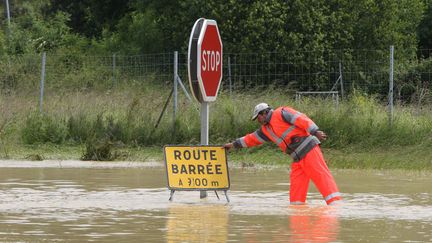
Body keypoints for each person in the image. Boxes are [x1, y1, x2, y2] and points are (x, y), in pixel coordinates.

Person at [224, 103, 342, 205]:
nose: (258, 121)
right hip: (296, 157)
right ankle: (297, 212)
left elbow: (301, 119)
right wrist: (233, 145)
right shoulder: (265, 130)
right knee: (296, 189)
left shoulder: (281, 112)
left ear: (264, 113)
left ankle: (336, 205)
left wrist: (315, 131)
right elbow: (251, 139)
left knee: (320, 176)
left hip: (309, 149)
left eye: (258, 117)